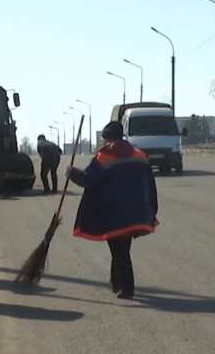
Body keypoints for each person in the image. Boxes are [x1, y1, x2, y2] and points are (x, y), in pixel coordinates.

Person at [68, 121, 159, 299]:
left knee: (119, 250)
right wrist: (152, 209)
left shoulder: (105, 156)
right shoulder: (140, 155)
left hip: (115, 213)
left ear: (107, 138)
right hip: (137, 211)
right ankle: (116, 282)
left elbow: (88, 180)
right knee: (121, 248)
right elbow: (151, 185)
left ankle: (127, 288)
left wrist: (72, 173)